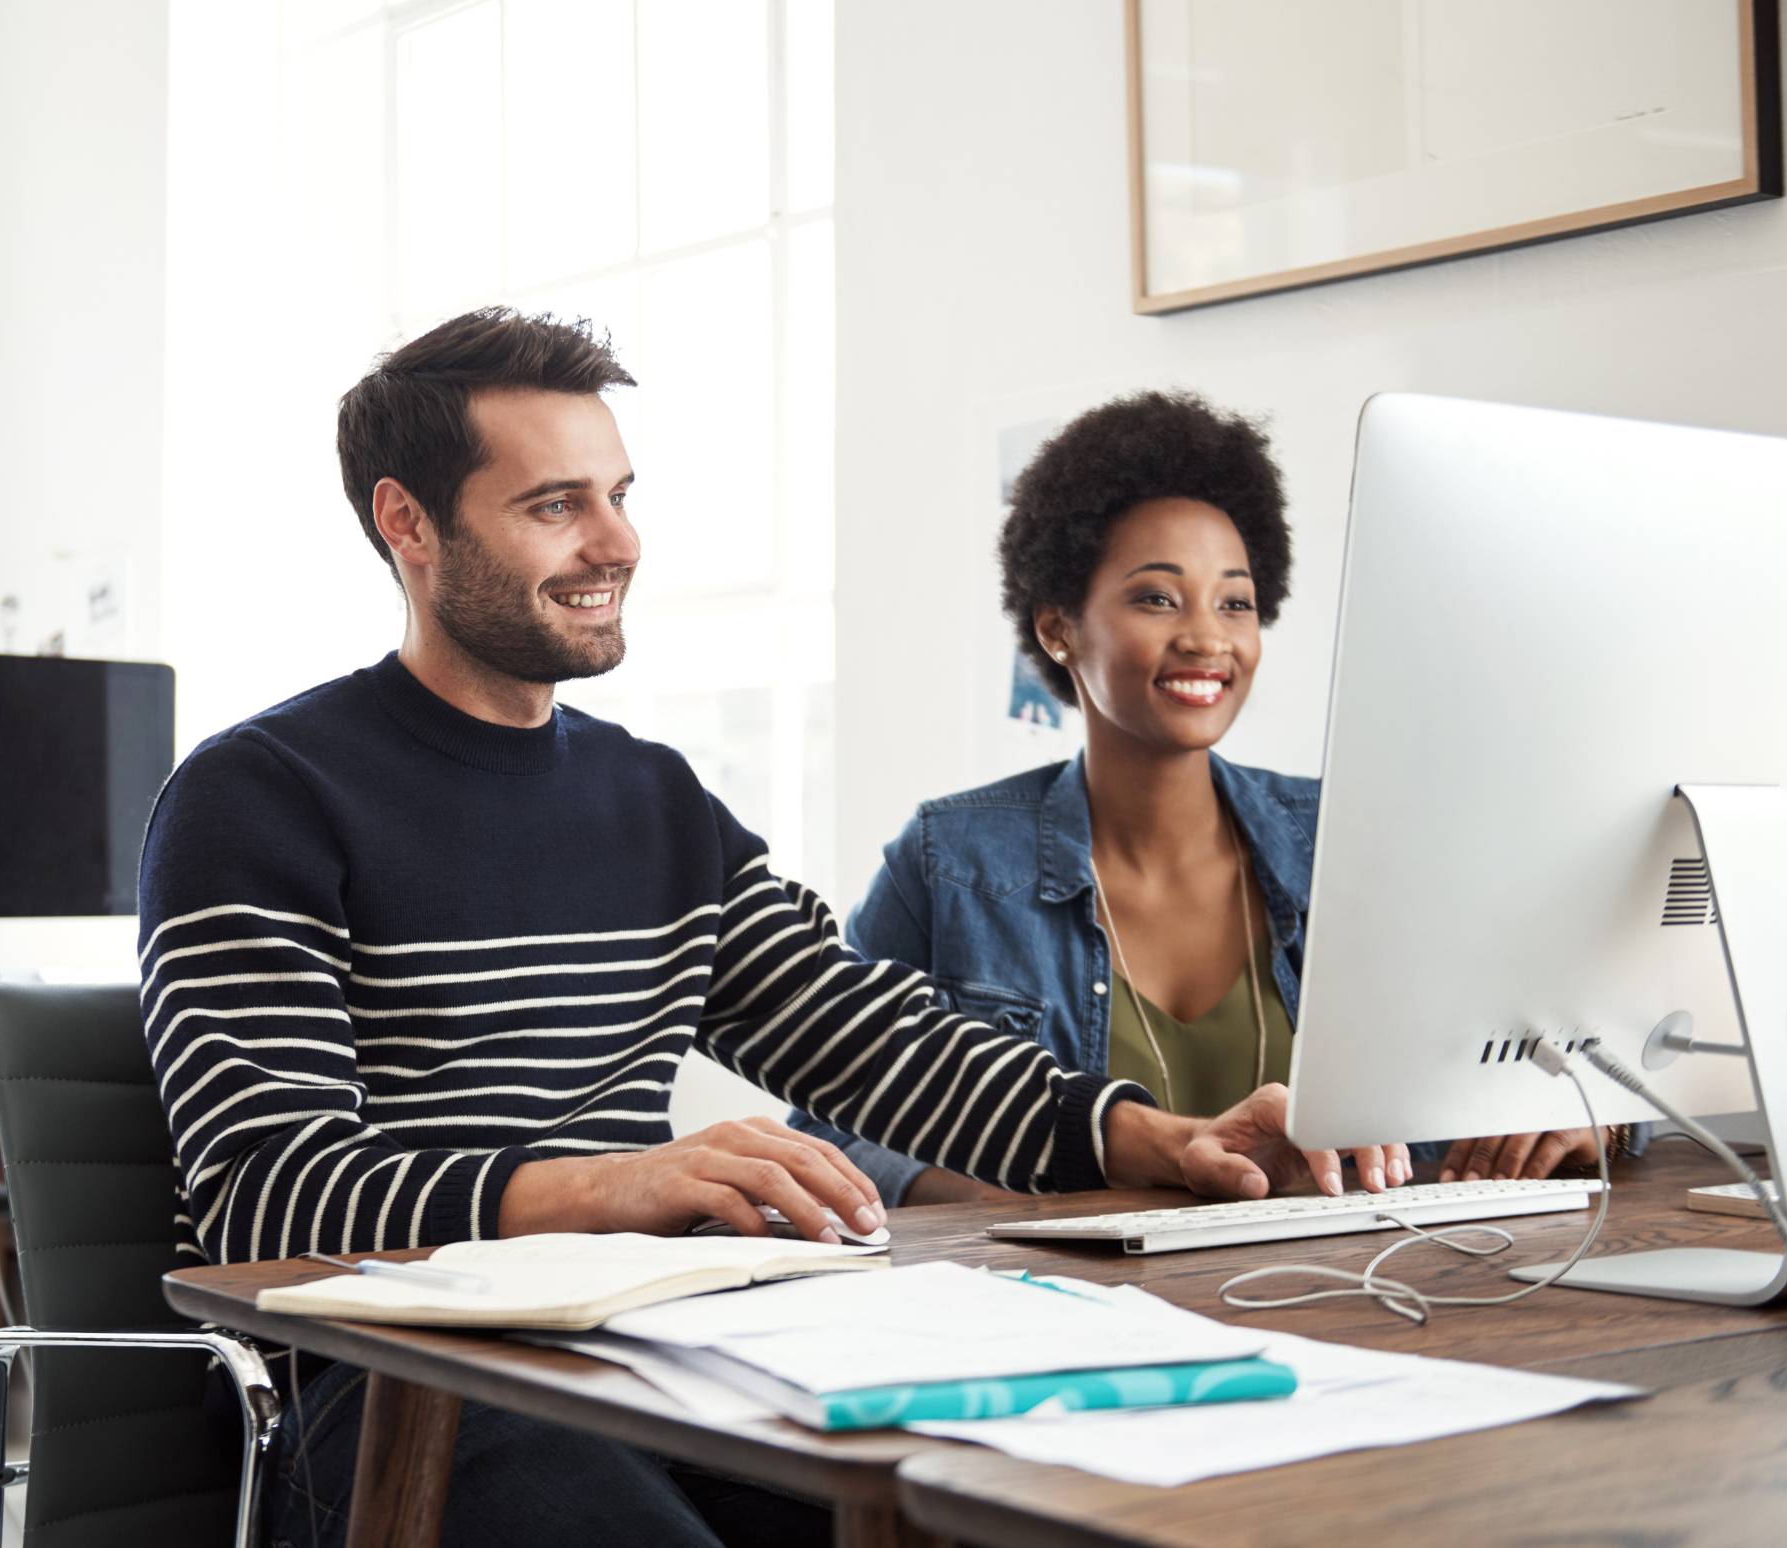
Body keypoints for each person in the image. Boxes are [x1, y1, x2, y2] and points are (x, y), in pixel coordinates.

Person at [138, 317, 1376, 1546]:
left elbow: (874, 1040)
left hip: (654, 1356)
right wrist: (617, 1188)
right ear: (406, 522)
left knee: (1008, 1509)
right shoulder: (260, 794)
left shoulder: (655, 801)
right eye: (555, 505)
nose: (617, 541)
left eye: (619, 494)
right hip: (383, 1395)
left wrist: (1150, 1135)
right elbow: (265, 1194)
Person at [792, 390, 1611, 1207]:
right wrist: (1018, 1196)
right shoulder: (952, 861)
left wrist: (1589, 1117)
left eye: (1236, 603)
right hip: (1059, 1302)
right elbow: (828, 1126)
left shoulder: (1347, 839)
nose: (1207, 638)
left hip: (1351, 1290)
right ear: (1058, 628)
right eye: (1157, 597)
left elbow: (1561, 1049)